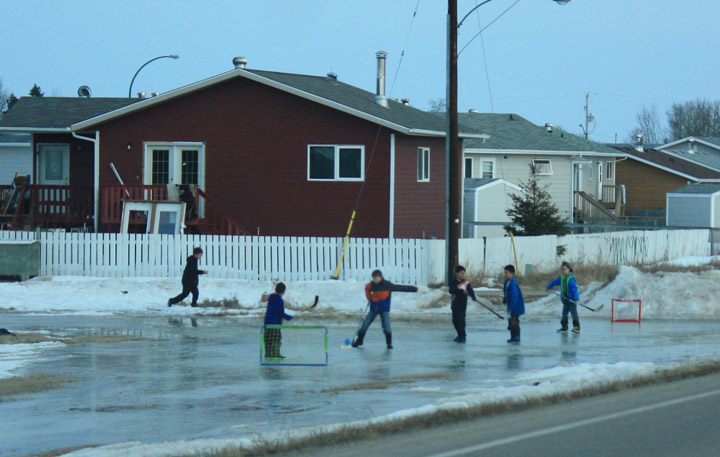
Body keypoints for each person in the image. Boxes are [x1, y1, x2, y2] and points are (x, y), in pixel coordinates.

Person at [352, 269, 418, 349]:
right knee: (364, 325)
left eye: (376, 278)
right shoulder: (372, 285)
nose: (374, 280)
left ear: (380, 277)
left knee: (386, 326)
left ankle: (389, 344)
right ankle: (359, 340)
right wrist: (370, 297)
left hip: (384, 309)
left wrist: (413, 289)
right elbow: (367, 288)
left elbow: (400, 287)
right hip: (374, 309)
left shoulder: (387, 284)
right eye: (373, 278)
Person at [546, 261, 580, 333]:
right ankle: (564, 327)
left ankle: (576, 327)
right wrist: (548, 287)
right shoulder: (561, 278)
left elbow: (574, 289)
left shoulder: (571, 279)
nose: (563, 270)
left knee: (574, 314)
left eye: (564, 269)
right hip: (565, 300)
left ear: (569, 269)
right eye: (562, 269)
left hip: (571, 301)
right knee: (564, 314)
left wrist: (576, 299)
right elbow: (554, 282)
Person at [263, 282, 293, 359]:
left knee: (268, 339)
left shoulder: (271, 297)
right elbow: (280, 313)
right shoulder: (279, 300)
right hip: (275, 323)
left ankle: (268, 354)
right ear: (283, 291)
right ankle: (275, 354)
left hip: (267, 322)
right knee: (276, 338)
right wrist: (289, 317)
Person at [449, 265, 477, 343]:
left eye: (464, 273)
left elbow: (470, 290)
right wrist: (461, 291)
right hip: (454, 304)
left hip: (462, 304)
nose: (463, 275)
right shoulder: (452, 282)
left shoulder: (465, 282)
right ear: (456, 273)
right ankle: (459, 334)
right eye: (461, 273)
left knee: (461, 319)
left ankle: (462, 335)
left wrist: (473, 296)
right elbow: (451, 291)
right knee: (455, 320)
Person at [503, 265, 525, 343]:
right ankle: (513, 336)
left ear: (512, 273)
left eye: (507, 273)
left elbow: (514, 297)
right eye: (505, 273)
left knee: (514, 322)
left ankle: (516, 337)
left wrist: (511, 308)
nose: (505, 275)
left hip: (516, 307)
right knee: (511, 321)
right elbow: (506, 293)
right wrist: (505, 299)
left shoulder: (513, 284)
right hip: (511, 306)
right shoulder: (507, 282)